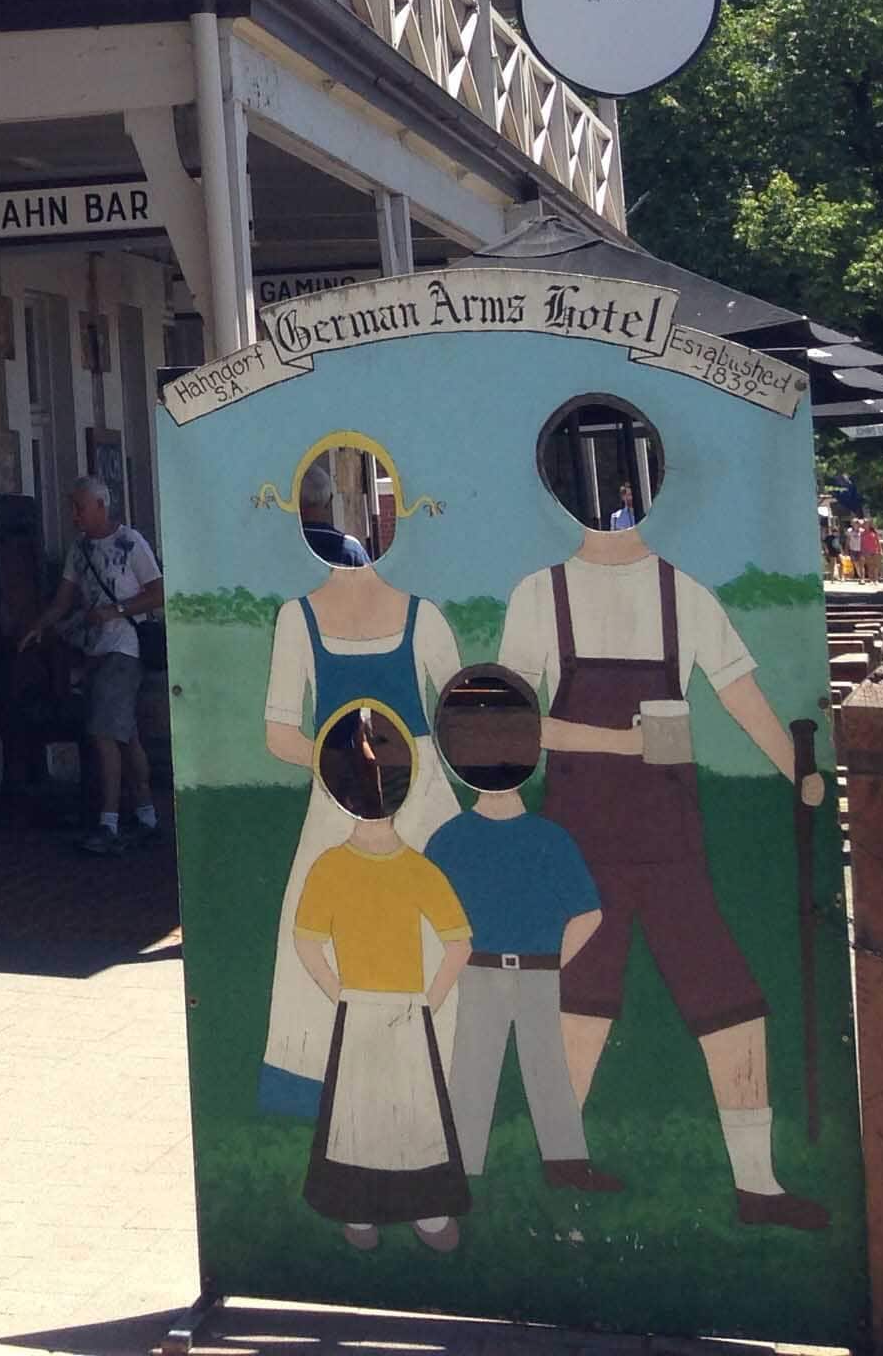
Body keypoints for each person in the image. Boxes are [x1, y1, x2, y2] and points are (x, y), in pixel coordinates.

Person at [496, 422, 833, 1231]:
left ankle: (758, 1184)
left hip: (673, 840)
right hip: (579, 843)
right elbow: (514, 725)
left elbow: (743, 695)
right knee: (579, 1002)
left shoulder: (687, 593)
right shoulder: (540, 596)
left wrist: (803, 773)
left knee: (730, 1001)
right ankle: (557, 1164)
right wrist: (622, 741)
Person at [259, 442, 462, 1118]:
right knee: (319, 929)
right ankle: (323, 1086)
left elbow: (457, 717)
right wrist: (343, 761)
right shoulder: (299, 618)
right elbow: (278, 732)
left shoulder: (422, 617)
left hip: (424, 798)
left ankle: (436, 1075)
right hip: (338, 799)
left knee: (434, 930)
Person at [426, 668, 619, 1194]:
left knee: (546, 1069)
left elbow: (589, 912)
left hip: (532, 973)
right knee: (472, 1070)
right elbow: (431, 914)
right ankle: (462, 1170)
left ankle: (566, 1165)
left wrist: (552, 962)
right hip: (480, 971)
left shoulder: (545, 839)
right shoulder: (448, 841)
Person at [292, 700, 473, 1252]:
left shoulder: (418, 869)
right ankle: (358, 1210)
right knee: (356, 1113)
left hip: (406, 1008)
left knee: (416, 1112)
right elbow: (306, 939)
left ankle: (427, 1210)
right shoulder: (329, 867)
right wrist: (339, 991)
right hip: (360, 1008)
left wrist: (428, 1001)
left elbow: (458, 942)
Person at [20, 475, 163, 856]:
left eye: (79, 507)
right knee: (123, 733)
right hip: (94, 650)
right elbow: (63, 600)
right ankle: (148, 815)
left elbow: (159, 591)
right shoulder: (79, 550)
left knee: (103, 733)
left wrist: (116, 610)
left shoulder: (131, 543)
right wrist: (39, 627)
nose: (74, 515)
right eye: (72, 507)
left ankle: (109, 821)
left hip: (125, 649)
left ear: (101, 506)